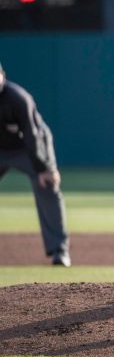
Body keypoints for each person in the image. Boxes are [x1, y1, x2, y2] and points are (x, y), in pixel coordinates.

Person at [0, 62, 71, 267]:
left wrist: (44, 168)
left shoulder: (18, 98)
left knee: (47, 185)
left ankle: (60, 250)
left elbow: (34, 136)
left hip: (28, 150)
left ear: (3, 75)